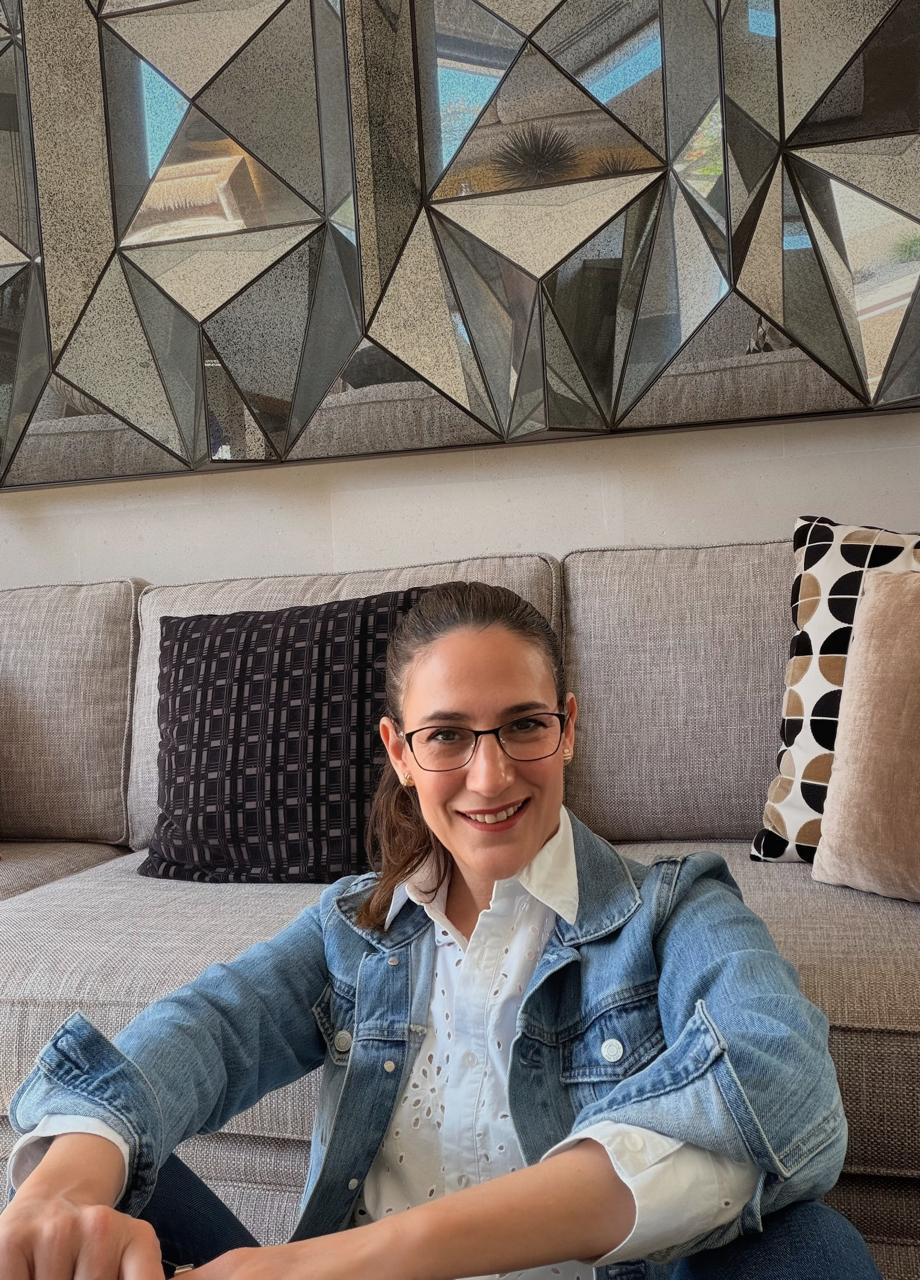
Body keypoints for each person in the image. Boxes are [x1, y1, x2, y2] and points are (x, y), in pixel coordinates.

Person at [0, 581, 881, 1280]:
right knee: (61, 1191)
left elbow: (783, 1093)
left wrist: (342, 1263)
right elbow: (211, 1029)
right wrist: (69, 1179)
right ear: (400, 751)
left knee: (811, 1251)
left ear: (568, 729)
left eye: (524, 725)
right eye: (448, 736)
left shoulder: (673, 910)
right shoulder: (356, 928)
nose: (489, 776)